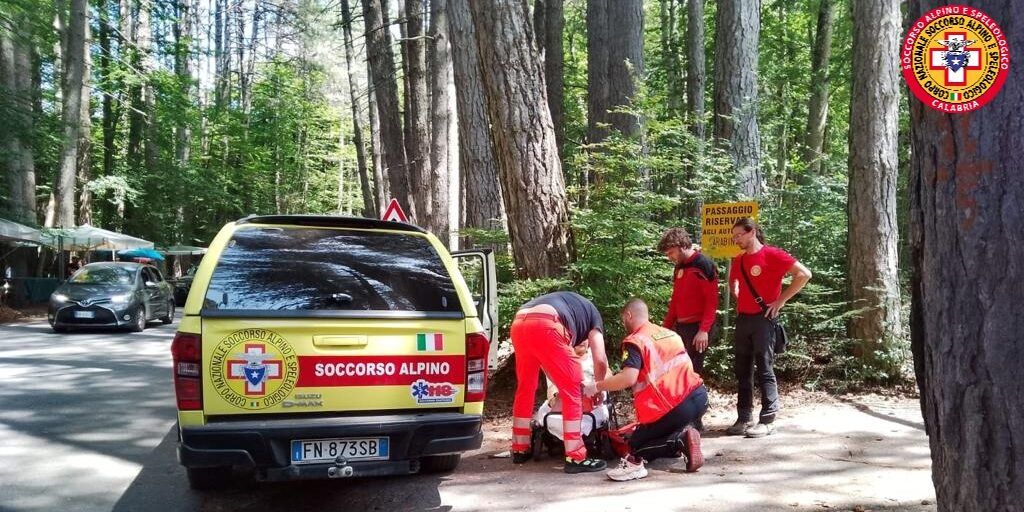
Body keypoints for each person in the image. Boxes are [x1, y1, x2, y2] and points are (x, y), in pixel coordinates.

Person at [585, 298, 708, 481]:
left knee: (635, 445)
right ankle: (682, 436)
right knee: (654, 431)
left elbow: (628, 378)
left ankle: (678, 441)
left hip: (674, 406)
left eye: (623, 319)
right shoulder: (669, 333)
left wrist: (596, 386)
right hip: (699, 397)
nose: (624, 323)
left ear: (628, 315)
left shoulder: (635, 341)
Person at [726, 217, 812, 438]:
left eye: (739, 235)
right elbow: (733, 281)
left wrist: (780, 301)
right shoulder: (738, 260)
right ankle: (744, 417)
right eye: (734, 236)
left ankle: (768, 419)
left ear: (752, 232)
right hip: (743, 319)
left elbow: (803, 274)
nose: (736, 239)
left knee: (764, 367)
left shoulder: (773, 254)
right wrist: (737, 294)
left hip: (764, 319)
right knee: (742, 369)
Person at [510, 291, 610, 473]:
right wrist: (598, 387)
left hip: (519, 321)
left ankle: (520, 448)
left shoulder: (573, 308)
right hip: (547, 323)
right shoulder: (594, 318)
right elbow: (601, 360)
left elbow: (549, 367)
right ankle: (576, 456)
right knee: (573, 389)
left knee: (525, 387)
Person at [657, 228, 719, 380]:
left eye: (671, 253)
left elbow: (712, 301)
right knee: (679, 370)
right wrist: (664, 329)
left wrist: (704, 330)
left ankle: (696, 402)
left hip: (698, 328)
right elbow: (676, 300)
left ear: (682, 246)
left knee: (692, 372)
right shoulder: (679, 266)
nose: (669, 257)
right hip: (681, 327)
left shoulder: (704, 265)